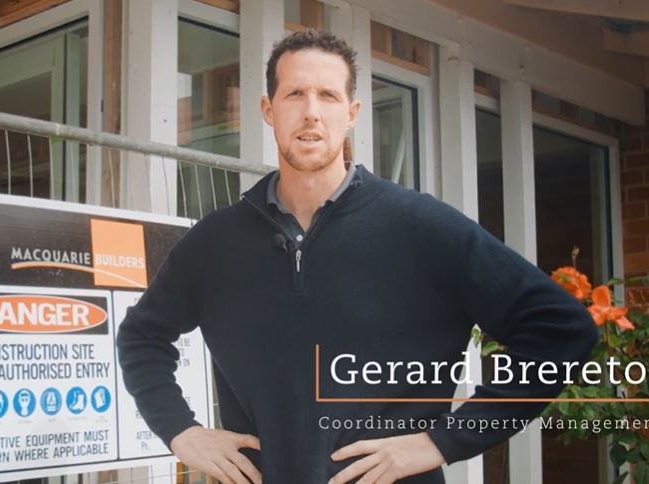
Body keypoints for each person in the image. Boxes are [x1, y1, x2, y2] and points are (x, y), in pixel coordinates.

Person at [117, 29, 598, 483]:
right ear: (269, 109)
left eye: (327, 96)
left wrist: (443, 440)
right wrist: (181, 431)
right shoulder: (217, 242)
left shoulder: (420, 227)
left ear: (351, 112)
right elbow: (142, 335)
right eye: (294, 95)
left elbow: (560, 329)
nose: (311, 112)